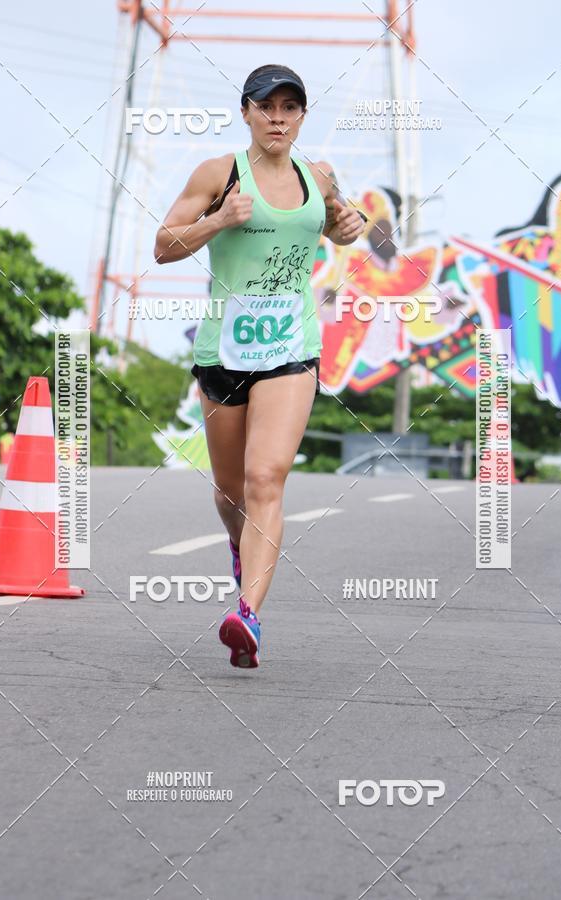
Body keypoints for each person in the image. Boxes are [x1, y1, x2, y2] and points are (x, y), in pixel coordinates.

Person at [155, 64, 366, 669]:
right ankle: (240, 546)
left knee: (265, 478)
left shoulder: (318, 174)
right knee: (228, 492)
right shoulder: (218, 174)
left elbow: (337, 224)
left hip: (291, 348)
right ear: (246, 112)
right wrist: (219, 219)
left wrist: (347, 228)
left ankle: (246, 615)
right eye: (266, 106)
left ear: (302, 116)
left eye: (290, 107)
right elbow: (163, 245)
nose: (278, 117)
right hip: (224, 351)